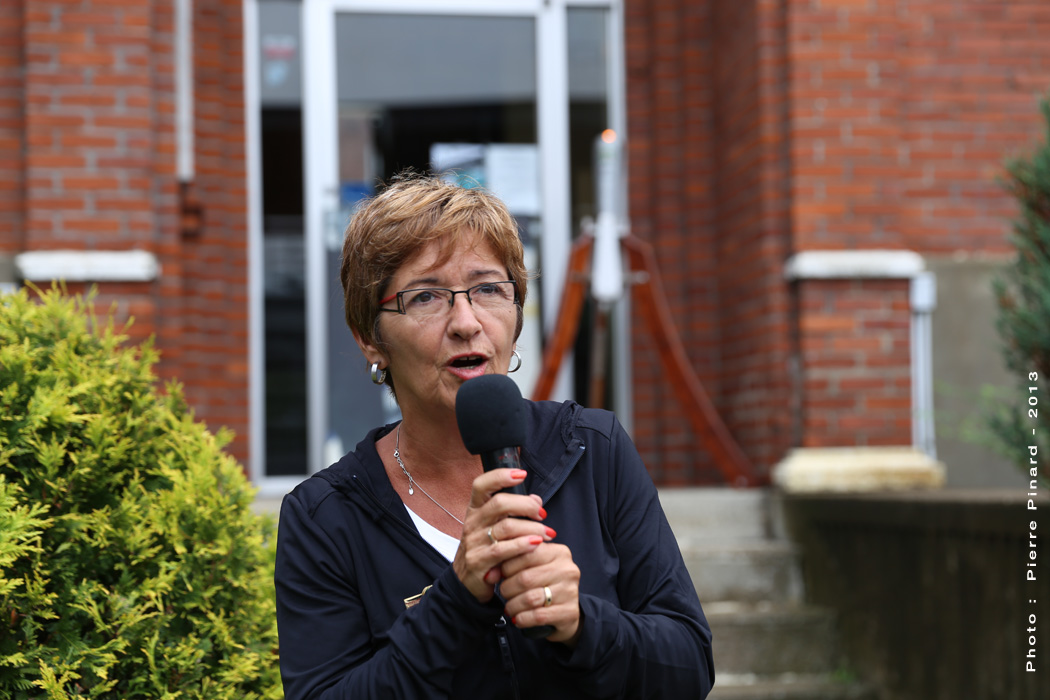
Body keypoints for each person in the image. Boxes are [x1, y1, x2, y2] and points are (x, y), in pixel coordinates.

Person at [274, 173, 714, 699]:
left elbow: (689, 664)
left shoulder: (594, 449)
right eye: (426, 297)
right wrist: (458, 599)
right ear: (371, 338)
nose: (466, 322)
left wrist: (582, 625)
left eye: (488, 289)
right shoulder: (325, 516)